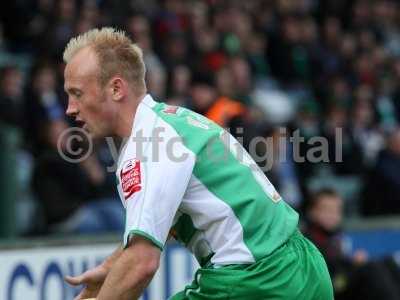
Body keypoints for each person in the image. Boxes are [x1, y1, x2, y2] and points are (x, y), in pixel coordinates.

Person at [63, 27, 333, 300]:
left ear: (116, 88)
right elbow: (161, 221)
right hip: (303, 265)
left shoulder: (148, 146)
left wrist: (119, 273)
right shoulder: (171, 121)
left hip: (258, 279)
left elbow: (141, 264)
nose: (70, 108)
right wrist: (111, 268)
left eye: (77, 93)